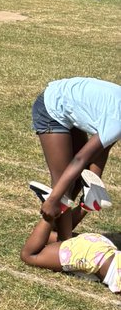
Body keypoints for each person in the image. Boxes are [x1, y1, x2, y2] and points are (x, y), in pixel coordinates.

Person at [29, 77, 121, 241]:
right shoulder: (117, 121)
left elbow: (103, 148)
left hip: (71, 109)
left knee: (78, 180)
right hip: (51, 108)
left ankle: (60, 234)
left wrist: (94, 185)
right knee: (64, 185)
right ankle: (65, 245)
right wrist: (53, 200)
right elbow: (80, 159)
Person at [20, 214, 119, 294]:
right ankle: (51, 213)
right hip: (91, 255)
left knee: (49, 237)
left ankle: (72, 204)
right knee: (28, 256)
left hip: (102, 246)